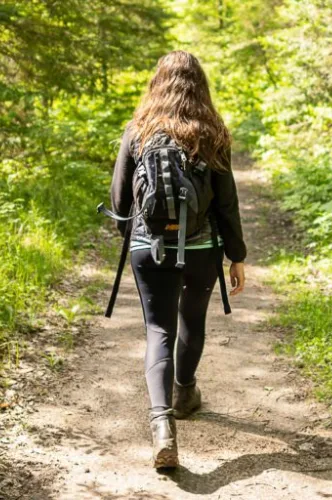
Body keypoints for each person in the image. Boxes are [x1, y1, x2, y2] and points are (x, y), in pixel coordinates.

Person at [108, 51, 246, 469]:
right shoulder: (212, 132)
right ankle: (185, 392)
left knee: (158, 329)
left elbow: (120, 201)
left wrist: (139, 243)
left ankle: (162, 426)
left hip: (149, 247)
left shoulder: (138, 131)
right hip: (202, 249)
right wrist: (236, 256)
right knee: (192, 322)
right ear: (200, 86)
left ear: (157, 83)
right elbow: (227, 204)